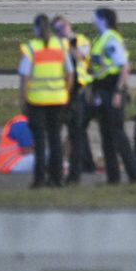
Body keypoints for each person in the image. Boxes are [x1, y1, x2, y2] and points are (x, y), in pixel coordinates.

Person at [89, 7, 136, 184]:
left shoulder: (110, 39)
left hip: (112, 89)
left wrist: (119, 92)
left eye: (96, 17)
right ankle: (113, 178)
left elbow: (124, 67)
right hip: (102, 89)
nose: (93, 20)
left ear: (103, 20)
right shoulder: (100, 38)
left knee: (118, 135)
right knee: (106, 136)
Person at [19, 14, 73, 188]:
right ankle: (57, 179)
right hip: (58, 99)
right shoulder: (61, 45)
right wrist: (65, 91)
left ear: (35, 28)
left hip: (36, 101)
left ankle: (40, 179)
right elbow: (69, 73)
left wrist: (23, 98)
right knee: (55, 139)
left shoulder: (31, 48)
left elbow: (25, 77)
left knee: (40, 141)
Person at [51, 15, 96, 184]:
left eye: (63, 27)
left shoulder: (80, 40)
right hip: (63, 91)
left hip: (82, 89)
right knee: (77, 131)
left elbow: (81, 56)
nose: (61, 30)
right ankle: (85, 164)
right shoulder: (55, 43)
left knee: (78, 130)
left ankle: (84, 164)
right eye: (57, 28)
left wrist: (68, 43)